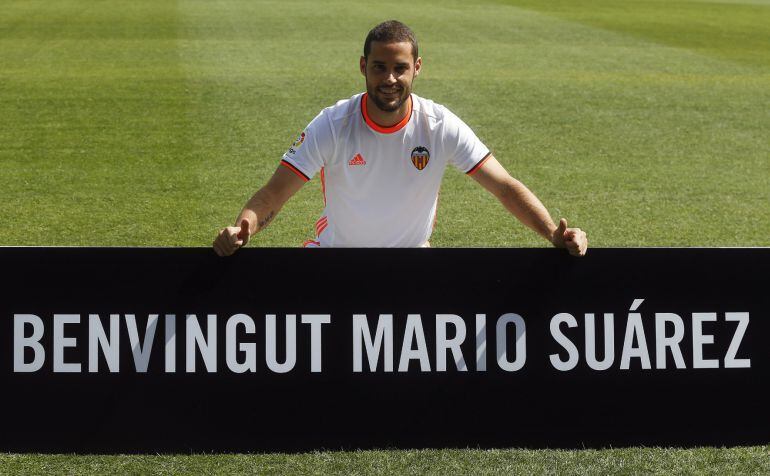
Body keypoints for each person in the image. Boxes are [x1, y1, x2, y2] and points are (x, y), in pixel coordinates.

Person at [213, 20, 588, 256]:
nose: (389, 79)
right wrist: (243, 227)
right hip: (335, 263)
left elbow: (504, 186)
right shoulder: (333, 123)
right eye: (379, 67)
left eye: (400, 69)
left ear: (417, 69)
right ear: (363, 66)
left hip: (410, 266)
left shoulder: (439, 125)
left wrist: (552, 233)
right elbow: (274, 193)